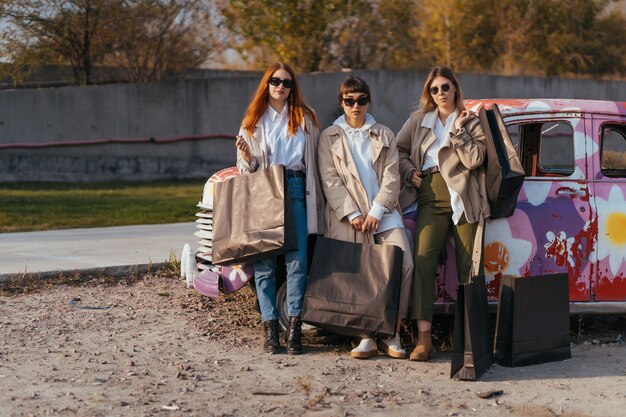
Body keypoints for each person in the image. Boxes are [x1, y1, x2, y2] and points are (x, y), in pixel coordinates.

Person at [396, 65, 490, 361]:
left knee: (469, 266)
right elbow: (397, 151)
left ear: (455, 89)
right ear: (429, 93)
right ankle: (424, 340)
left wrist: (459, 131)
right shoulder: (417, 121)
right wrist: (410, 171)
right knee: (422, 260)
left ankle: (472, 340)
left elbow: (475, 160)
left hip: (463, 192)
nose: (440, 94)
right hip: (430, 190)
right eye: (434, 89)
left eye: (445, 87)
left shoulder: (470, 121)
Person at [317, 76, 414, 360]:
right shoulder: (329, 137)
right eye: (349, 101)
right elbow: (329, 179)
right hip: (351, 218)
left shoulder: (384, 134)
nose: (355, 106)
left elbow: (392, 176)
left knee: (404, 265)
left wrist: (376, 210)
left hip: (383, 214)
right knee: (362, 274)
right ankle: (366, 337)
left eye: (360, 100)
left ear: (368, 101)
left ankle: (392, 332)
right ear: (342, 103)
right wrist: (354, 213)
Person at [235, 62, 322, 355]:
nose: (281, 87)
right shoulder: (253, 120)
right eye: (275, 81)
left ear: (292, 87)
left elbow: (316, 160)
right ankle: (270, 328)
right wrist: (248, 157)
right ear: (266, 84)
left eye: (286, 82)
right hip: (265, 189)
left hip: (296, 187)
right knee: (264, 263)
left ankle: (294, 330)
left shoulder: (305, 118)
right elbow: (245, 170)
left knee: (297, 261)